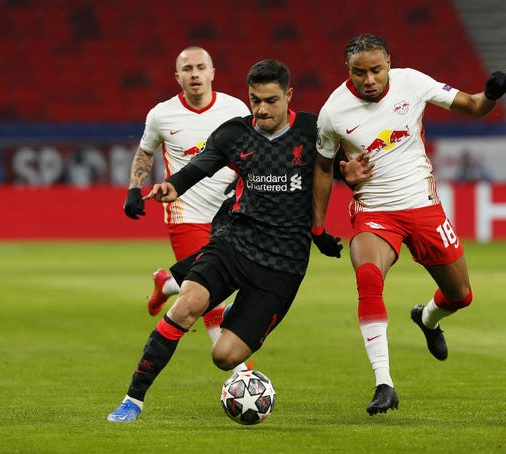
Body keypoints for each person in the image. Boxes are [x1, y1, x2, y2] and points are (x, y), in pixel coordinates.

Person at [107, 59, 343, 422]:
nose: (262, 109)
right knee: (187, 306)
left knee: (225, 357)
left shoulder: (312, 131)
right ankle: (132, 400)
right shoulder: (235, 133)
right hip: (236, 241)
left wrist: (349, 181)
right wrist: (173, 186)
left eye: (270, 100)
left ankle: (232, 309)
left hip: (284, 263)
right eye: (255, 100)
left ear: (288, 96)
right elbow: (201, 165)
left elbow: (340, 167)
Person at [313, 33, 506, 415]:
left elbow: (473, 106)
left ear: (389, 61)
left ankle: (427, 319)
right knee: (369, 277)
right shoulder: (333, 112)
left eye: (376, 69)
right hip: (375, 211)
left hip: (424, 207)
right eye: (360, 73)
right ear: (349, 71)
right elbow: (323, 167)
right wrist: (319, 225)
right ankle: (384, 384)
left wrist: (491, 94)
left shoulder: (413, 82)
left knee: (461, 296)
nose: (369, 79)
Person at [122, 46, 250, 344]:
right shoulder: (162, 115)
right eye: (188, 69)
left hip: (231, 212)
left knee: (238, 279)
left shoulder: (236, 110)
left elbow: (250, 153)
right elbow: (145, 152)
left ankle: (166, 283)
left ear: (212, 73)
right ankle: (239, 376)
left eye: (201, 68)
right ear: (177, 76)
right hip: (186, 213)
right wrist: (133, 189)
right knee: (205, 294)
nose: (195, 74)